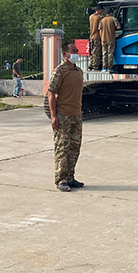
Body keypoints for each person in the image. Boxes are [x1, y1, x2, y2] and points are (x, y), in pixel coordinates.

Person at [48, 42, 85, 192]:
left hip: (76, 114)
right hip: (63, 115)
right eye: (73, 51)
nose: (77, 53)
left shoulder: (78, 71)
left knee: (75, 147)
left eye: (77, 50)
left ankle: (70, 177)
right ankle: (61, 179)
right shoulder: (60, 71)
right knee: (62, 148)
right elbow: (51, 93)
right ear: (65, 54)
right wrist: (53, 116)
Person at [88, 6, 103, 71]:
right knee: (97, 52)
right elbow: (100, 28)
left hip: (91, 36)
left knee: (92, 51)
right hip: (97, 36)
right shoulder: (99, 17)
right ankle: (95, 66)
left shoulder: (91, 17)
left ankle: (91, 65)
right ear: (99, 10)